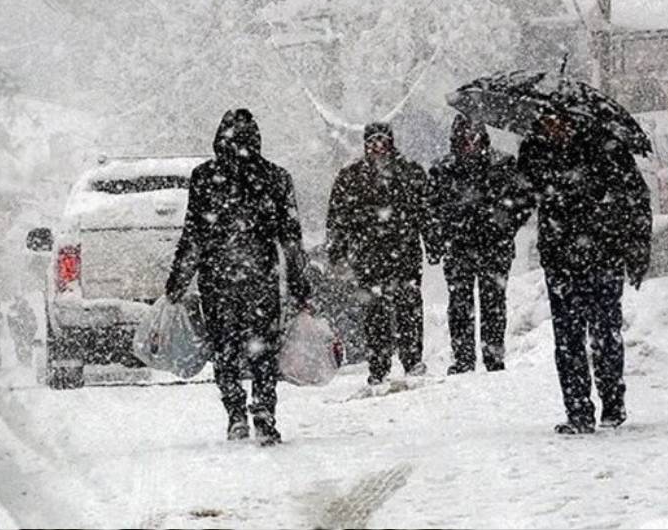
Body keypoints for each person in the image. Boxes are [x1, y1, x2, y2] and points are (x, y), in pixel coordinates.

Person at [164, 109, 310, 446]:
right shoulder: (275, 177)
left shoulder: (204, 177)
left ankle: (235, 414)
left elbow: (194, 236)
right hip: (260, 277)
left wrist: (178, 281)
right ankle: (264, 412)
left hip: (218, 279)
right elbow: (290, 238)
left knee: (225, 348)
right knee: (263, 350)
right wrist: (300, 285)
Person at [518, 111, 652, 434]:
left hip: (602, 254)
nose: (555, 127)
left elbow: (635, 197)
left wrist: (637, 248)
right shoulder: (535, 150)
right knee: (568, 339)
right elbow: (520, 198)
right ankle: (578, 410)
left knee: (605, 333)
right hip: (561, 259)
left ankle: (612, 402)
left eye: (560, 120)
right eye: (548, 121)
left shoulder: (604, 146)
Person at [427, 115, 533, 374]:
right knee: (460, 304)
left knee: (493, 303)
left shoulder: (504, 165)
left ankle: (493, 357)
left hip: (494, 246)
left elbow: (524, 200)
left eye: (473, 136)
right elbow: (430, 209)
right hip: (459, 247)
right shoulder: (442, 170)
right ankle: (463, 359)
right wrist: (438, 239)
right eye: (464, 137)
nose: (469, 142)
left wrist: (506, 224)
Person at [326, 122, 430, 384]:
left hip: (404, 252)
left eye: (382, 140)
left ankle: (412, 359)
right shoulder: (351, 176)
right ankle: (379, 366)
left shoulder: (410, 172)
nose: (378, 147)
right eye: (372, 141)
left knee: (409, 308)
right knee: (375, 313)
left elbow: (426, 212)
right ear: (365, 144)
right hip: (368, 254)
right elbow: (338, 218)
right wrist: (337, 252)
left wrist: (434, 244)